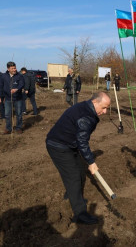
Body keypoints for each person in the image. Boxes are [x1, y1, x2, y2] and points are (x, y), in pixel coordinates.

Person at [46, 92, 111, 225]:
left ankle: (71, 193)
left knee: (81, 172)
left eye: (107, 108)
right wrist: (91, 162)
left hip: (69, 143)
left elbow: (80, 139)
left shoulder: (86, 107)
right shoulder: (86, 116)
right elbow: (82, 141)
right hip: (58, 145)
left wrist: (87, 161)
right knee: (74, 175)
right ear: (95, 103)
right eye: (104, 108)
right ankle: (80, 213)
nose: (105, 112)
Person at [0, 61, 25, 134]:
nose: (14, 70)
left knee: (19, 114)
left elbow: (22, 84)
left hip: (18, 98)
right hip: (8, 98)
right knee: (7, 114)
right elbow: (0, 87)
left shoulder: (19, 76)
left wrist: (17, 89)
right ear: (8, 69)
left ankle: (18, 127)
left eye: (15, 68)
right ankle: (8, 128)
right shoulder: (3, 76)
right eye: (12, 68)